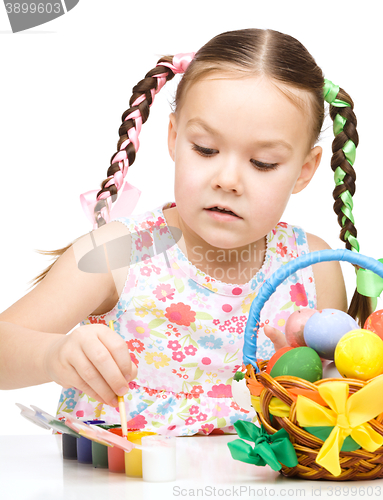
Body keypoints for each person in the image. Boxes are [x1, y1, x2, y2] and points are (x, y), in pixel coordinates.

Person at [0, 28, 370, 436]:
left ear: (304, 170)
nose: (227, 179)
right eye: (206, 149)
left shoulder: (311, 271)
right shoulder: (118, 253)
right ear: (174, 138)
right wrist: (52, 355)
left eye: (263, 162)